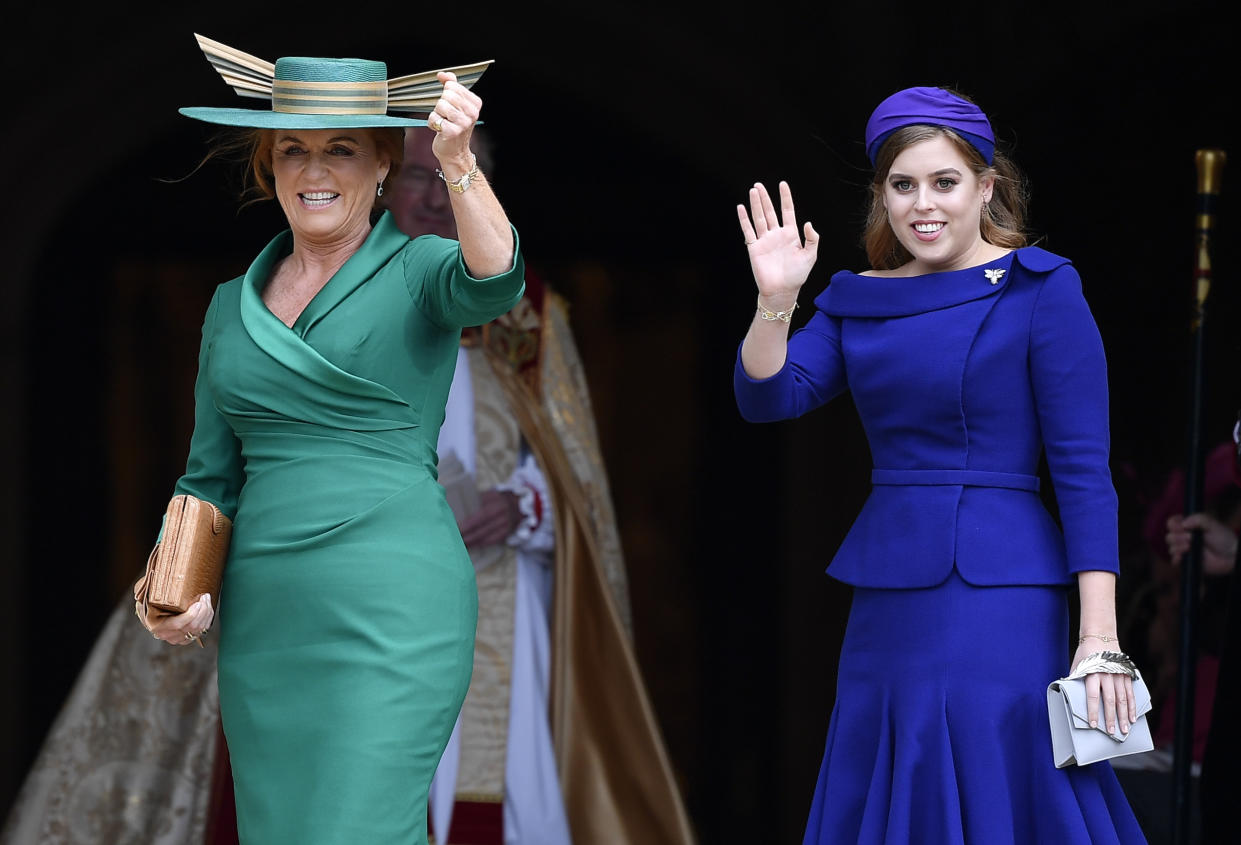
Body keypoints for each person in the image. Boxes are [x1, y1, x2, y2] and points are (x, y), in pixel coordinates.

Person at [732, 86, 1147, 843]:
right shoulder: (857, 298)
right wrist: (774, 300)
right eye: (902, 185)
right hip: (888, 588)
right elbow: (768, 399)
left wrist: (1099, 638)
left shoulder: (1041, 289)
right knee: (891, 772)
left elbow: (1084, 474)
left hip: (1002, 593)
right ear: (881, 194)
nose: (923, 205)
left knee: (994, 781)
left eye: (944, 182)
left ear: (985, 186)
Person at [144, 37, 522, 845]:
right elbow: (209, 476)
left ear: (383, 163)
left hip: (393, 606)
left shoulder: (419, 268)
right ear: (269, 166)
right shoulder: (227, 307)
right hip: (268, 622)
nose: (314, 170)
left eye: (340, 149)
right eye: (294, 150)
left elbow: (496, 278)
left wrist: (457, 163)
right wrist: (176, 585)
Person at [385, 126, 695, 845]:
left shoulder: (526, 311)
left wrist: (524, 505)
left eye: (456, 174)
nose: (434, 196)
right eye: (413, 176)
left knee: (494, 788)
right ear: (378, 186)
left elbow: (578, 477)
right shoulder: (337, 296)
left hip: (501, 596)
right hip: (374, 594)